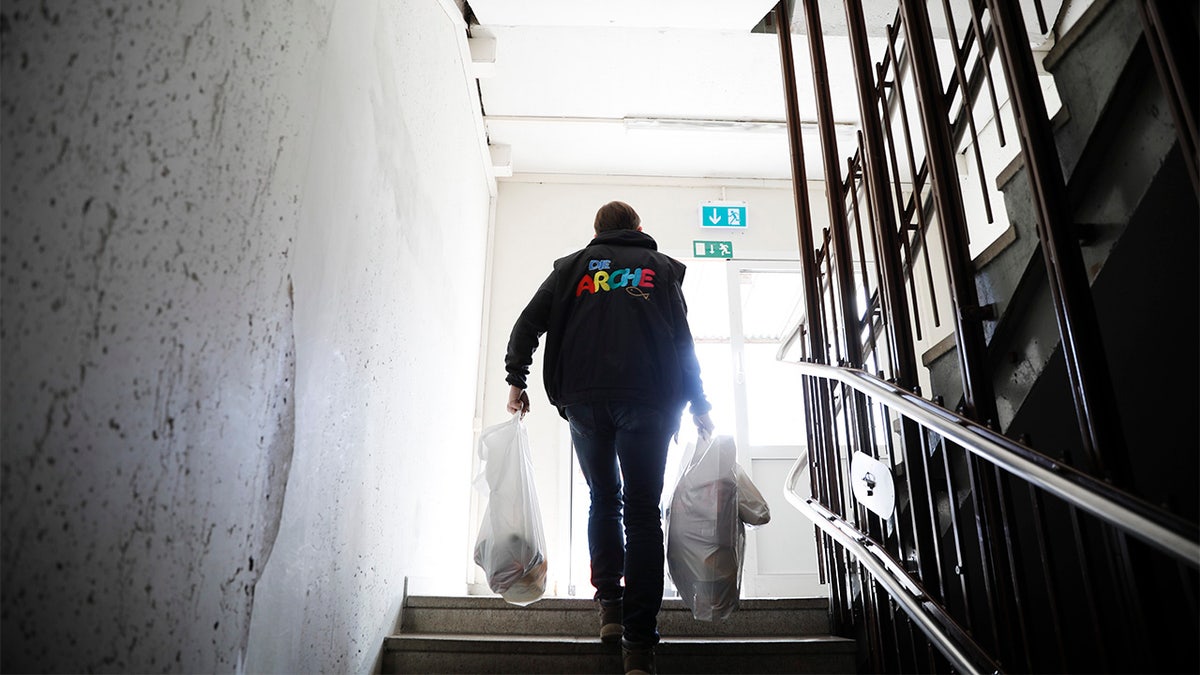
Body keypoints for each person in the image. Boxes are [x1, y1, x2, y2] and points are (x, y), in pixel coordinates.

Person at [504, 200, 714, 675]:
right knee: (642, 512)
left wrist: (516, 379)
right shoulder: (659, 269)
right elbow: (683, 341)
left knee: (604, 498)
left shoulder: (571, 268)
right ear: (639, 228)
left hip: (585, 399)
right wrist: (699, 402)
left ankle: (610, 611)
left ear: (596, 232)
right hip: (647, 400)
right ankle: (639, 645)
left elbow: (527, 324)